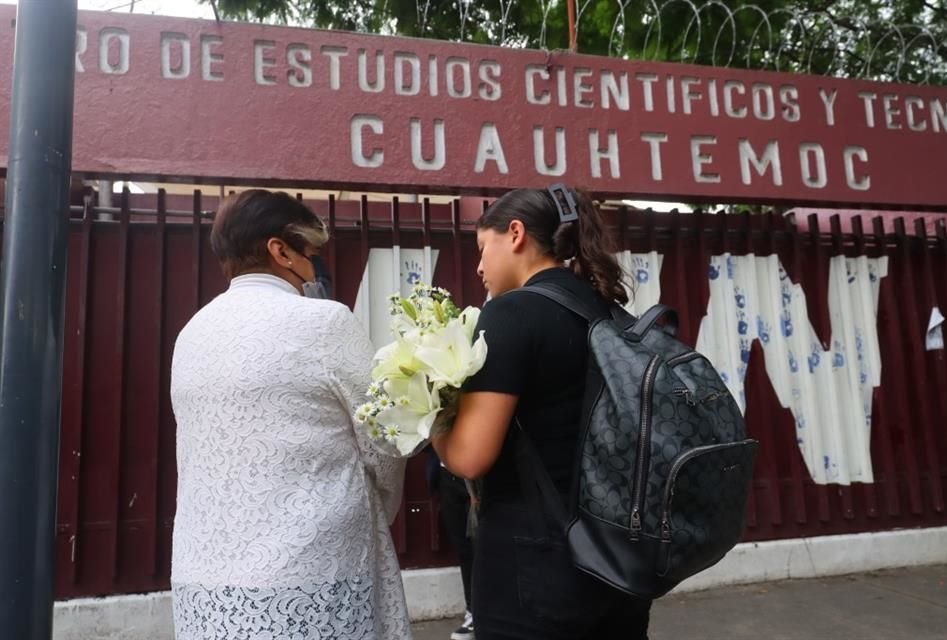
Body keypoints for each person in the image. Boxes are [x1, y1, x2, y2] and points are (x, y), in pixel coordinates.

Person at [169, 189, 411, 640]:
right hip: (312, 571)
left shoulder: (191, 332)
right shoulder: (324, 322)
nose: (314, 269)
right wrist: (384, 505)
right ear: (280, 250)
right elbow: (384, 437)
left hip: (203, 578)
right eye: (311, 254)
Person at [431, 186, 653, 640]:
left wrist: (430, 416)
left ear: (515, 234)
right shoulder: (611, 313)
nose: (478, 266)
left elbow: (470, 457)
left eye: (481, 248)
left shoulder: (512, 314)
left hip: (534, 564)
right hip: (619, 560)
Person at [426, 446, 475, 640]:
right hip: (446, 471)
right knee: (463, 548)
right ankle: (473, 612)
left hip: (482, 470)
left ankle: (491, 609)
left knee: (486, 545)